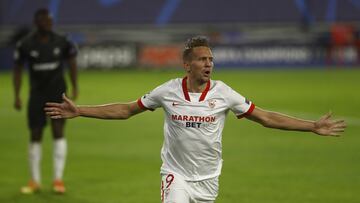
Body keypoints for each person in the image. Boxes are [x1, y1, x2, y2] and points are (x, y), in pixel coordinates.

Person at [45, 36, 345, 202]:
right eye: (203, 59)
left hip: (208, 180)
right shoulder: (168, 91)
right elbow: (126, 110)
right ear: (187, 64)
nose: (209, 64)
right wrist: (80, 110)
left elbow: (265, 117)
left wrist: (312, 126)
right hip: (176, 176)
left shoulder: (224, 94)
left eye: (211, 59)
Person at [13, 8, 78, 194]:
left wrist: (75, 87)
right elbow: (17, 70)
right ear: (37, 23)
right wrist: (17, 95)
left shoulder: (62, 41)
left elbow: (72, 62)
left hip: (58, 94)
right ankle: (35, 181)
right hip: (37, 96)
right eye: (44, 21)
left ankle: (58, 179)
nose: (48, 23)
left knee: (58, 132)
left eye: (50, 20)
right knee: (35, 135)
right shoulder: (25, 44)